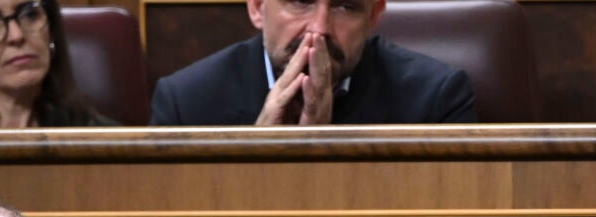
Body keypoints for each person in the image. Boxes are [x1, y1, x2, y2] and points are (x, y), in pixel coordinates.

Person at [149, 0, 476, 126]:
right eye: (301, 2)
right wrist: (255, 154)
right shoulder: (185, 103)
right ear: (257, 7)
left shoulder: (436, 101)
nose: (319, 29)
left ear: (374, 16)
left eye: (345, 7)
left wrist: (323, 149)